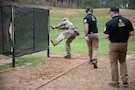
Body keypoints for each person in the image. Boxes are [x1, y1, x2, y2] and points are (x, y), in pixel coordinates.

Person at [104, 7, 134, 88]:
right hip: (124, 44)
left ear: (112, 13)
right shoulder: (127, 21)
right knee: (123, 61)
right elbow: (131, 33)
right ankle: (125, 79)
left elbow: (106, 36)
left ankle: (115, 82)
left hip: (114, 44)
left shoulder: (109, 23)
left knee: (113, 63)